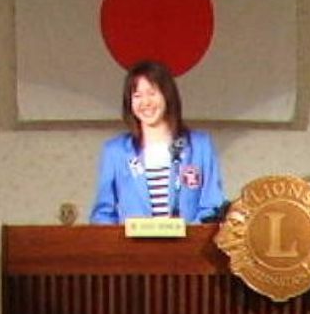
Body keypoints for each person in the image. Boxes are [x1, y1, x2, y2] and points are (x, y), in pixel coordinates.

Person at [89, 60, 225, 224]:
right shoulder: (115, 151)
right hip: (132, 241)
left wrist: (186, 235)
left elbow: (213, 207)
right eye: (137, 96)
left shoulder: (200, 146)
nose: (145, 102)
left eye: (152, 93)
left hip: (189, 240)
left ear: (167, 95)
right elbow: (103, 214)